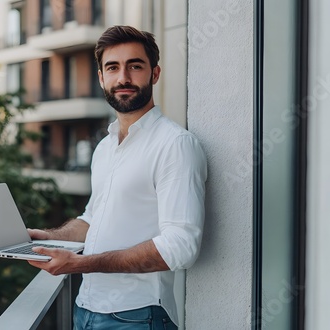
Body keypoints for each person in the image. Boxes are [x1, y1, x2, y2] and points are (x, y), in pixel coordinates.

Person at [27, 25, 207, 330]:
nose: (123, 78)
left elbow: (182, 246)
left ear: (155, 74)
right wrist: (52, 236)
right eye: (113, 67)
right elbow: (92, 219)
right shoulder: (105, 147)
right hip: (85, 310)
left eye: (135, 66)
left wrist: (81, 264)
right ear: (101, 77)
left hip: (137, 316)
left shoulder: (175, 144)